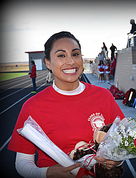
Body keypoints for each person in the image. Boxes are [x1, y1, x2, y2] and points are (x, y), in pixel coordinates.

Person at [8, 31, 125, 178]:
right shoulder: (32, 106)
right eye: (61, 55)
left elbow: (122, 145)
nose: (70, 61)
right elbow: (23, 163)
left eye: (75, 54)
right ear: (48, 63)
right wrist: (46, 173)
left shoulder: (104, 96)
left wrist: (116, 161)